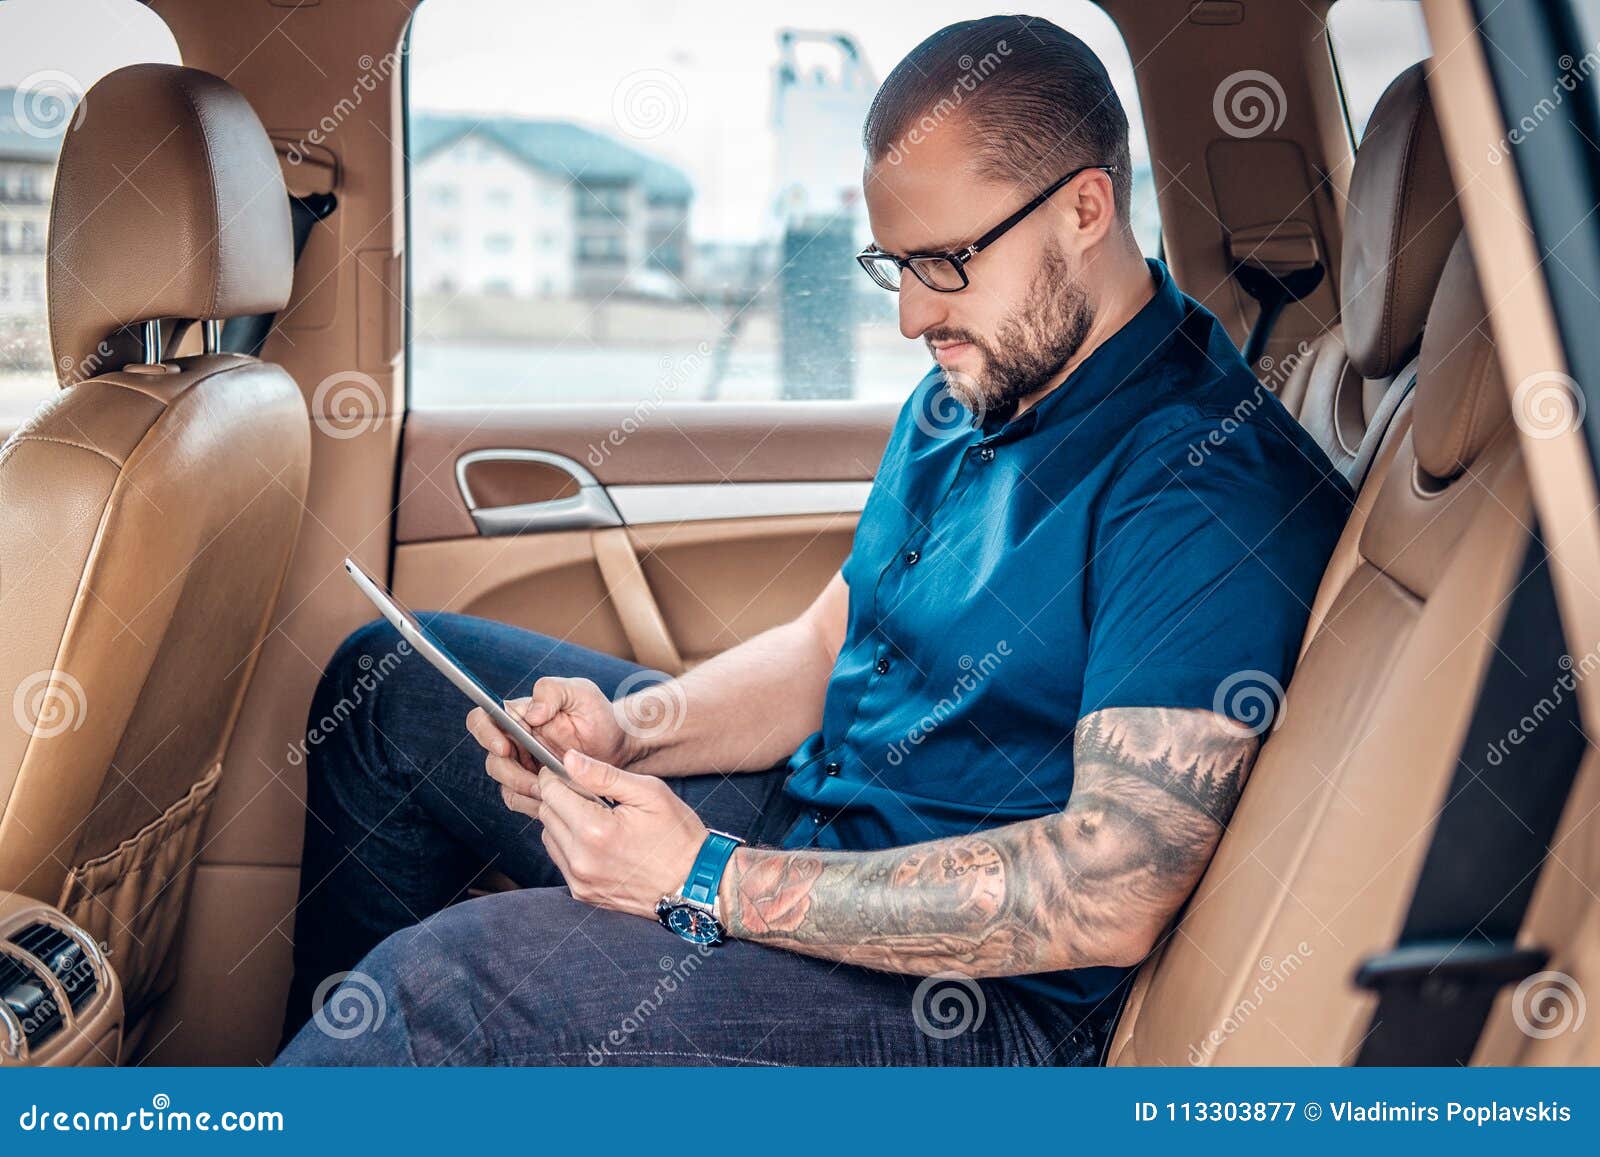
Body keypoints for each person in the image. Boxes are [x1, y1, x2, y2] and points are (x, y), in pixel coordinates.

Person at [277, 14, 1350, 1066]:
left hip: (981, 1007)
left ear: (1083, 208)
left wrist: (704, 878)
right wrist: (626, 732)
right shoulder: (971, 390)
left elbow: (1106, 891)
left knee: (437, 993)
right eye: (894, 267)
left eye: (945, 262)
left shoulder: (1206, 483)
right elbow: (824, 645)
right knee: (391, 691)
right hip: (827, 820)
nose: (909, 318)